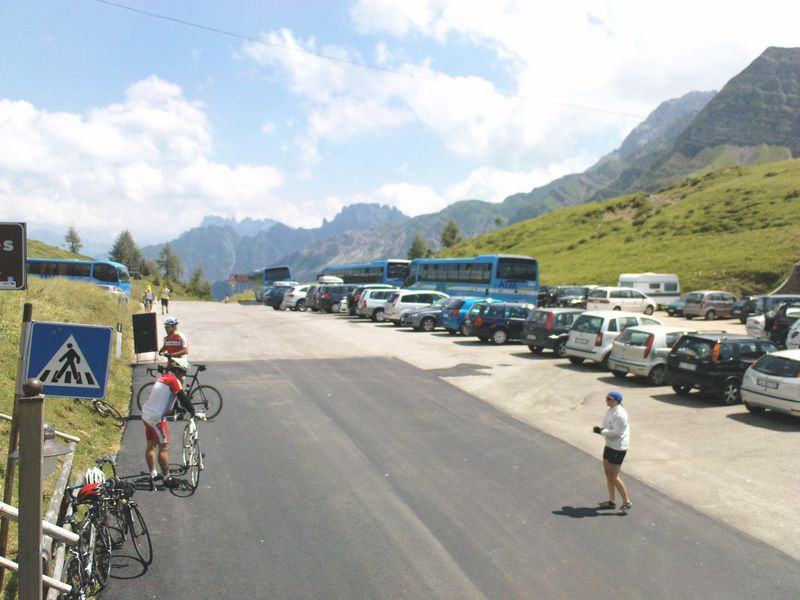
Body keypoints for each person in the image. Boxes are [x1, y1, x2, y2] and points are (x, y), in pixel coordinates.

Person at [140, 357, 203, 488]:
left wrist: (178, 408)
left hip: (146, 414)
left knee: (151, 444)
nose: (184, 375)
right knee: (164, 447)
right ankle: (166, 477)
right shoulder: (174, 381)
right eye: (183, 372)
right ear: (177, 370)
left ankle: (153, 473)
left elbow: (166, 397)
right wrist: (193, 411)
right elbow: (183, 398)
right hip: (156, 418)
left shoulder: (163, 377)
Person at [593, 390, 631, 515]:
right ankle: (611, 501)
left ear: (615, 400)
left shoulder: (621, 414)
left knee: (613, 476)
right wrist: (601, 429)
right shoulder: (610, 410)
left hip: (618, 448)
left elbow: (616, 433)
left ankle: (626, 502)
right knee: (608, 474)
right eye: (606, 398)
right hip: (609, 445)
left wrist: (601, 431)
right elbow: (606, 426)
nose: (606, 400)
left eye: (609, 399)